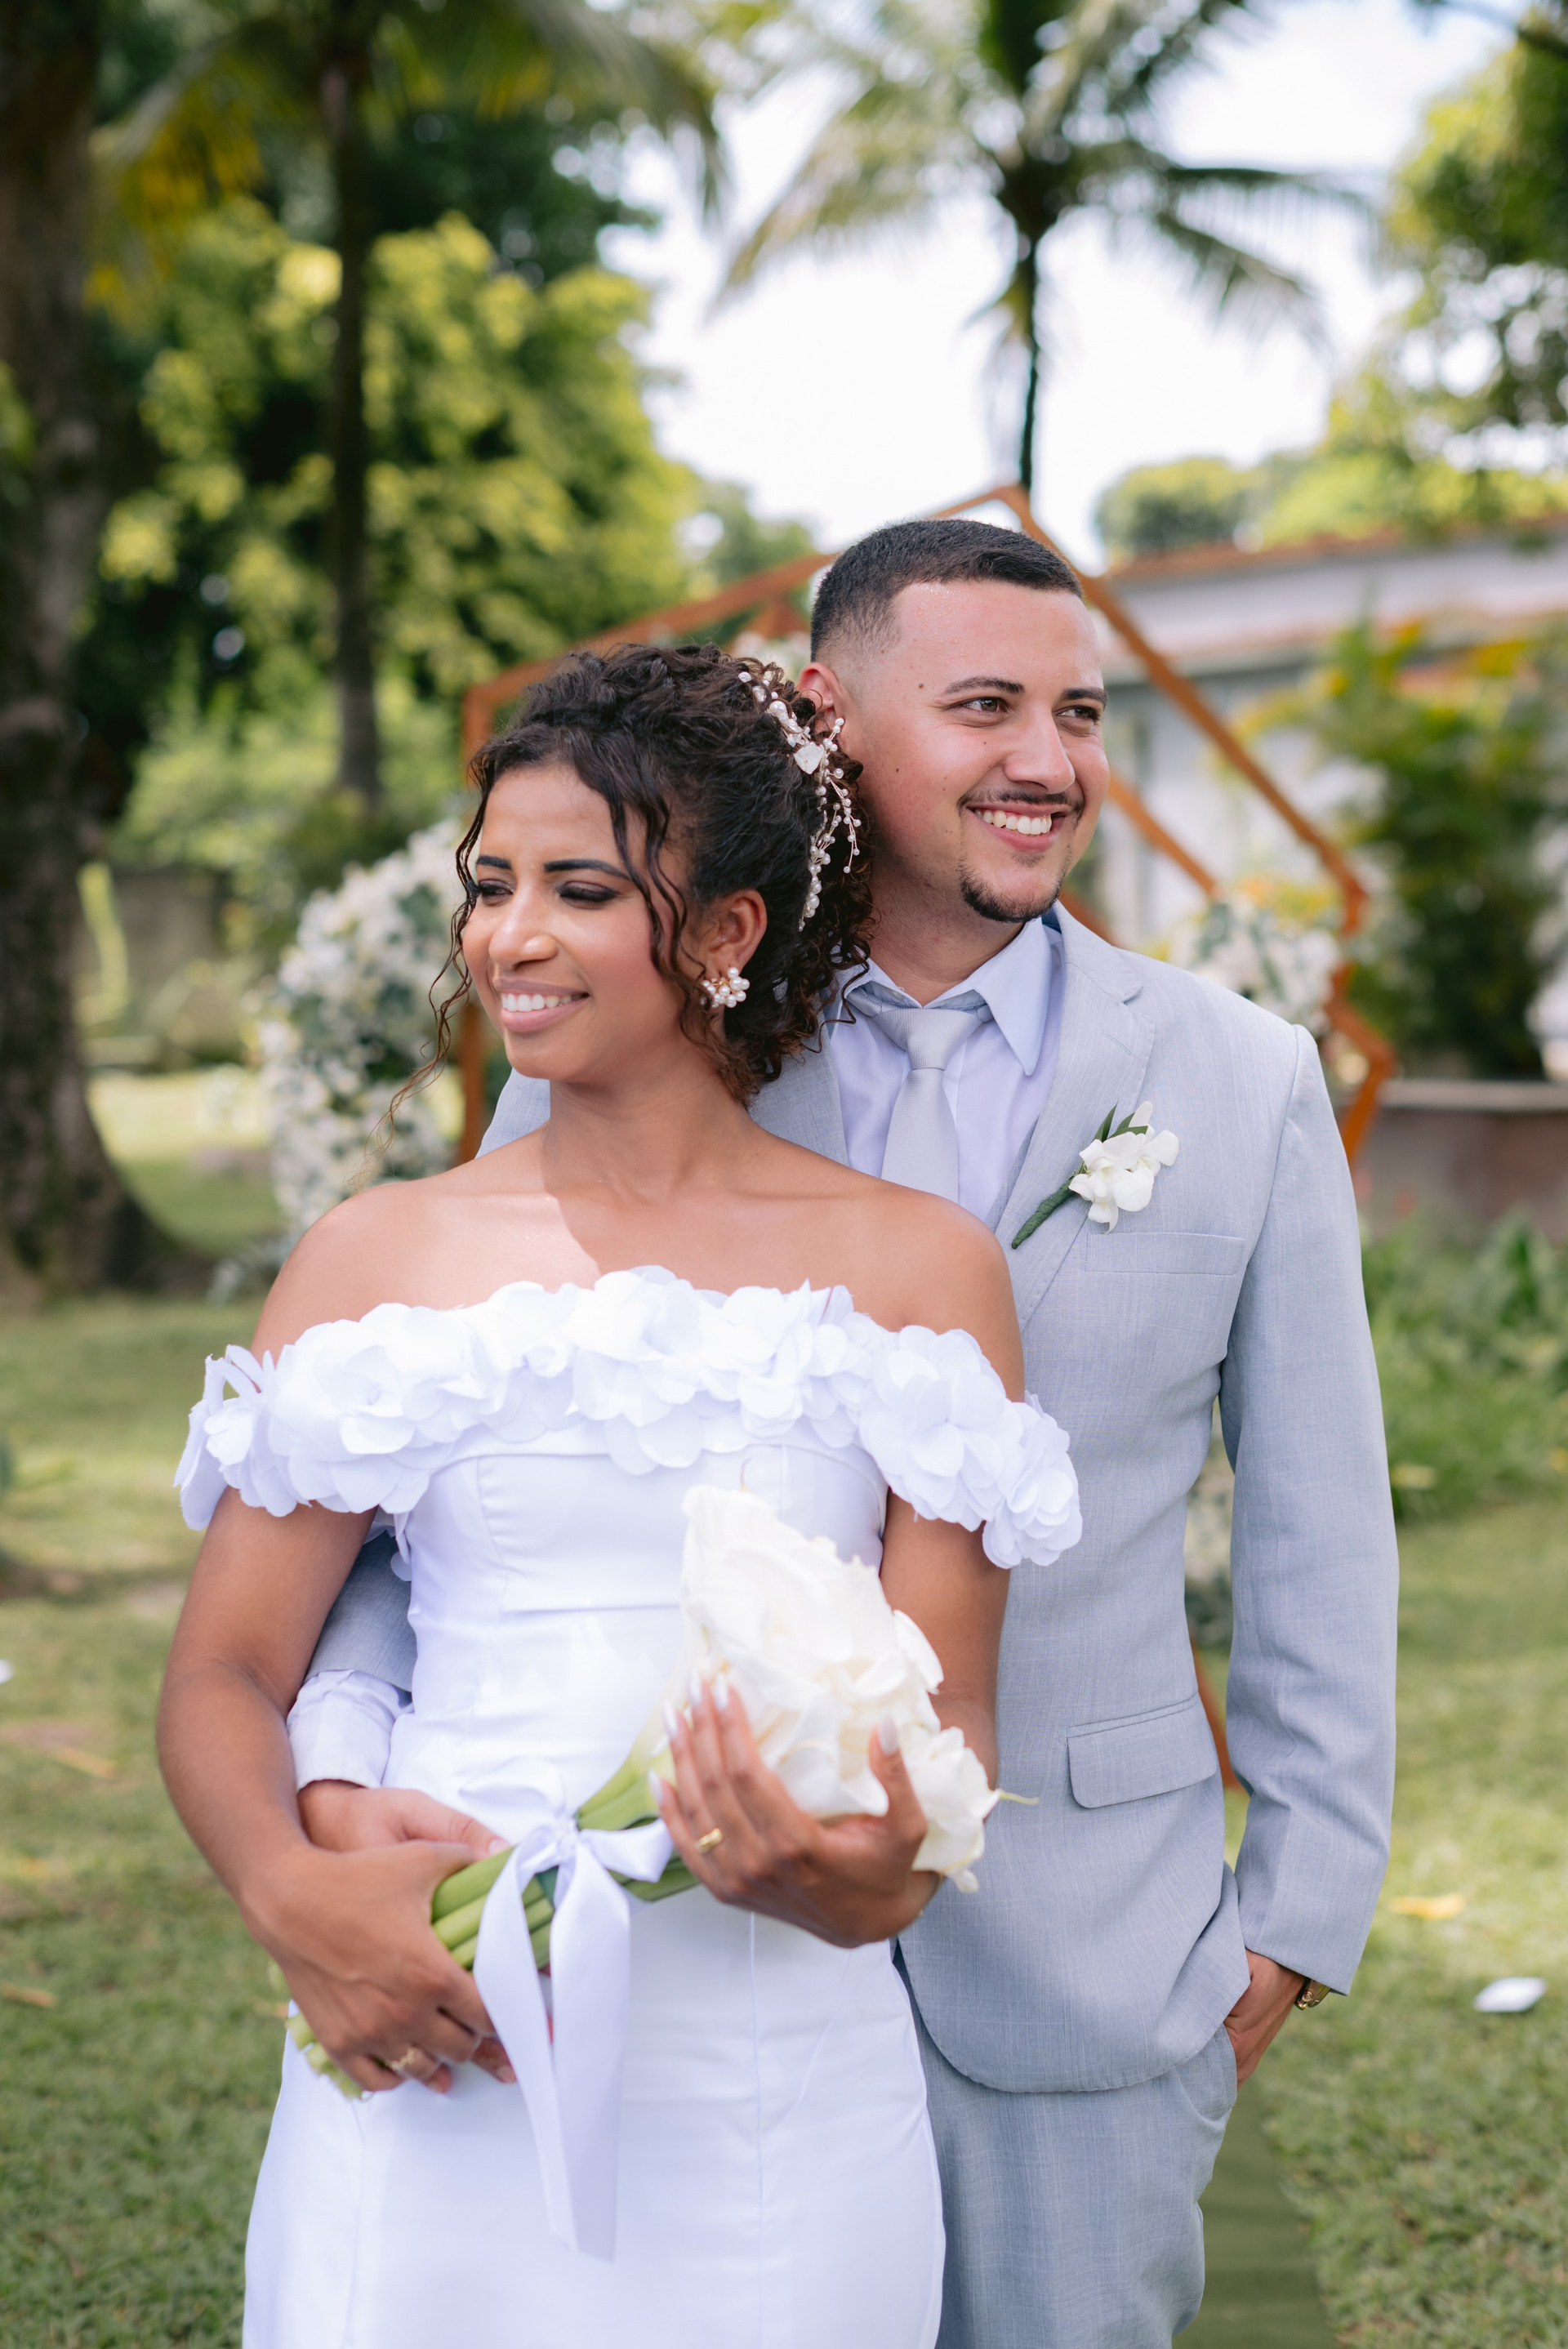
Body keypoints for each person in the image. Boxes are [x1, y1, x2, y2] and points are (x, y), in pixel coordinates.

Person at [294, 518, 1400, 2347]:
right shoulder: (641, 1028)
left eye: (1080, 714)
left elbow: (1321, 1524)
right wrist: (340, 1787)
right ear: (832, 715)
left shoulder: (1237, 1075)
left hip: (1084, 1950)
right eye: (986, 707)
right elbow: (439, 1461)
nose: (1050, 761)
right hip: (685, 1952)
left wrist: (1294, 1912)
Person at [158, 639, 1084, 2349]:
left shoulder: (920, 1272)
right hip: (436, 2041)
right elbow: (224, 1672)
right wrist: (295, 1901)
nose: (509, 936)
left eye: (580, 890)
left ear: (726, 932)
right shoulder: (374, 1257)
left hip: (778, 2089)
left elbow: (949, 1723)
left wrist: (861, 1874)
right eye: (491, 885)